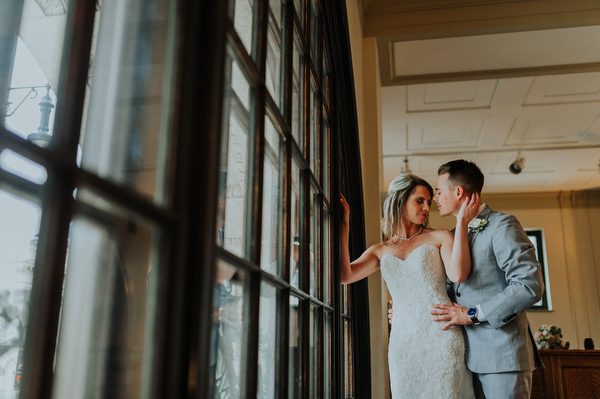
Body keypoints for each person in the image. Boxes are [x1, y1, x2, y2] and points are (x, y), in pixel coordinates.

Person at [341, 173, 481, 399]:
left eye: (428, 201)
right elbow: (344, 275)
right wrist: (343, 225)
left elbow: (458, 274)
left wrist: (461, 223)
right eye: (419, 201)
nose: (427, 207)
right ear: (399, 200)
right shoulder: (380, 250)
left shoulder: (440, 236)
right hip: (403, 342)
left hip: (441, 335)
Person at [429, 159, 545, 399]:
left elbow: (529, 285)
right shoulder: (451, 237)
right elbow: (446, 291)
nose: (435, 198)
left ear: (458, 191)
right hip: (462, 361)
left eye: (439, 191)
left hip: (502, 357)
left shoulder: (502, 225)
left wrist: (471, 314)